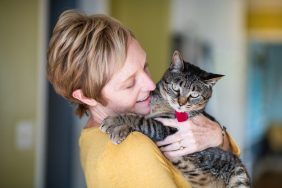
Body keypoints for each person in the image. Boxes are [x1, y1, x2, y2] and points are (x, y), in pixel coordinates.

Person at [47, 10, 240, 188]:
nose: (150, 84)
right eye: (130, 83)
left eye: (145, 66)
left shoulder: (93, 134)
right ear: (86, 96)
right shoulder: (131, 147)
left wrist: (218, 136)